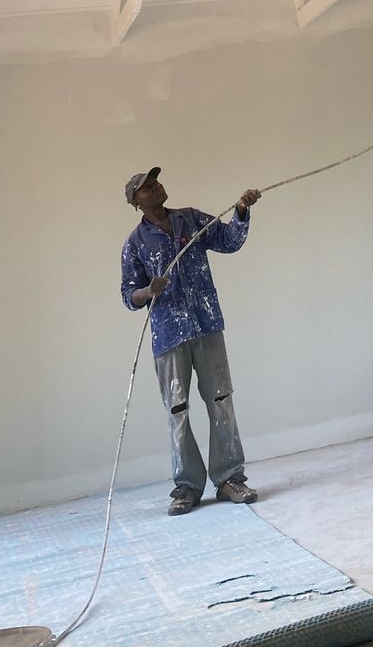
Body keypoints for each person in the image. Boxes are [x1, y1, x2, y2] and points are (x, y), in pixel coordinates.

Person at [121, 166, 263, 515]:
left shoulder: (191, 219)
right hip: (169, 335)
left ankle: (230, 478)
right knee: (178, 410)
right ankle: (187, 486)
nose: (156, 188)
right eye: (147, 187)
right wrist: (148, 291)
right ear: (136, 202)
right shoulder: (135, 244)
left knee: (221, 400)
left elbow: (229, 240)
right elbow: (128, 295)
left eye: (156, 182)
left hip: (206, 324)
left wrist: (241, 210)